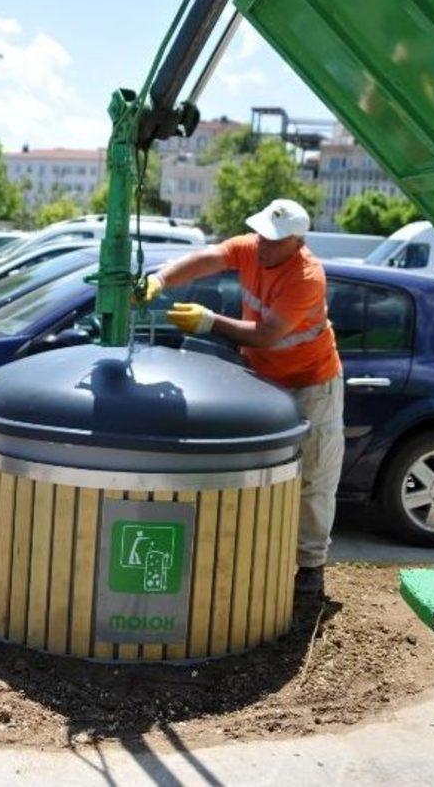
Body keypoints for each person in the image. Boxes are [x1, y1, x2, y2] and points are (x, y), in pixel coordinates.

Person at [142, 198, 344, 597]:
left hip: (311, 385)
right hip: (262, 379)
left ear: (296, 242)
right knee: (253, 471)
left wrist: (210, 321)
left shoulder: (307, 276)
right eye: (260, 235)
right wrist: (161, 279)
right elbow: (209, 258)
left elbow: (267, 334)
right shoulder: (253, 247)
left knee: (314, 477)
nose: (262, 245)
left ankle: (310, 569)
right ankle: (247, 556)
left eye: (273, 240)